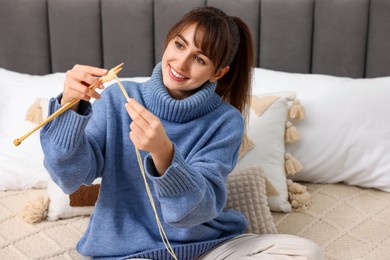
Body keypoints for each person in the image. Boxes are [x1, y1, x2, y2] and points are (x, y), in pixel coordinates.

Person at [41, 6, 323, 260]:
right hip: (128, 252)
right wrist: (69, 107)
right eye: (179, 45)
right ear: (168, 41)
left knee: (305, 252)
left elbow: (193, 213)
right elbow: (70, 177)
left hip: (210, 247)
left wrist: (164, 153)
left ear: (218, 73)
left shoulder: (226, 122)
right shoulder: (117, 99)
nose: (181, 63)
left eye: (199, 59)